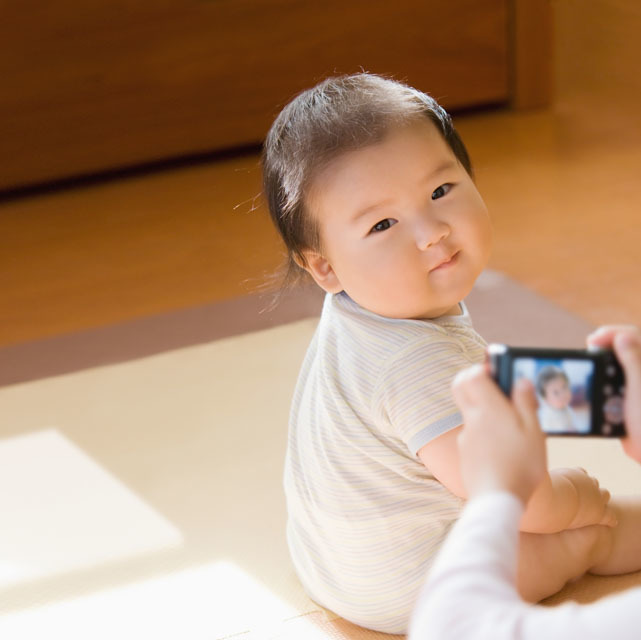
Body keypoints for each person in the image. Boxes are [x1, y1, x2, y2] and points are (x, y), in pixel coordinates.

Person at [261, 73, 641, 634]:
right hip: (413, 584)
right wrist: (572, 500)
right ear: (324, 266)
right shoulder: (415, 363)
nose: (430, 232)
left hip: (336, 562)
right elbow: (509, 495)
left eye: (440, 192)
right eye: (383, 223)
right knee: (593, 530)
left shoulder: (362, 308)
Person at [409, 325, 641, 639]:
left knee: (587, 533)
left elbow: (449, 627)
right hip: (412, 581)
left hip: (388, 583)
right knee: (593, 530)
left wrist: (497, 492)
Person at [536, 366, 581, 433]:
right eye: (556, 392)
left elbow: (572, 424)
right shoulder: (546, 416)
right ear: (545, 398)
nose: (563, 394)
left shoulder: (567, 408)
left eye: (564, 387)